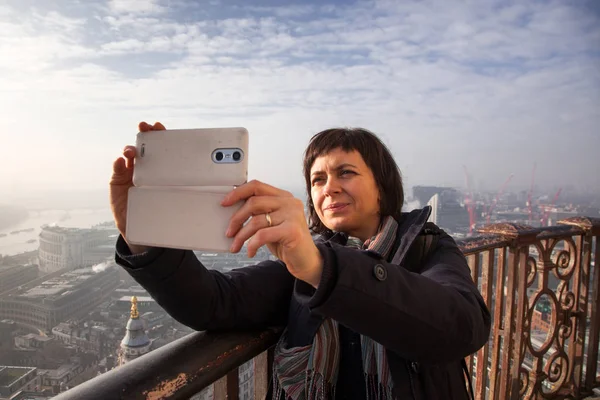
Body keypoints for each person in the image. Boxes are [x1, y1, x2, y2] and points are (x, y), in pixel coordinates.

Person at [110, 121, 491, 400]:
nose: (330, 188)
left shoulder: (427, 247)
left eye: (346, 173)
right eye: (317, 179)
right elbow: (214, 302)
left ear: (383, 186)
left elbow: (462, 326)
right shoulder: (300, 264)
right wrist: (145, 236)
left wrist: (323, 268)